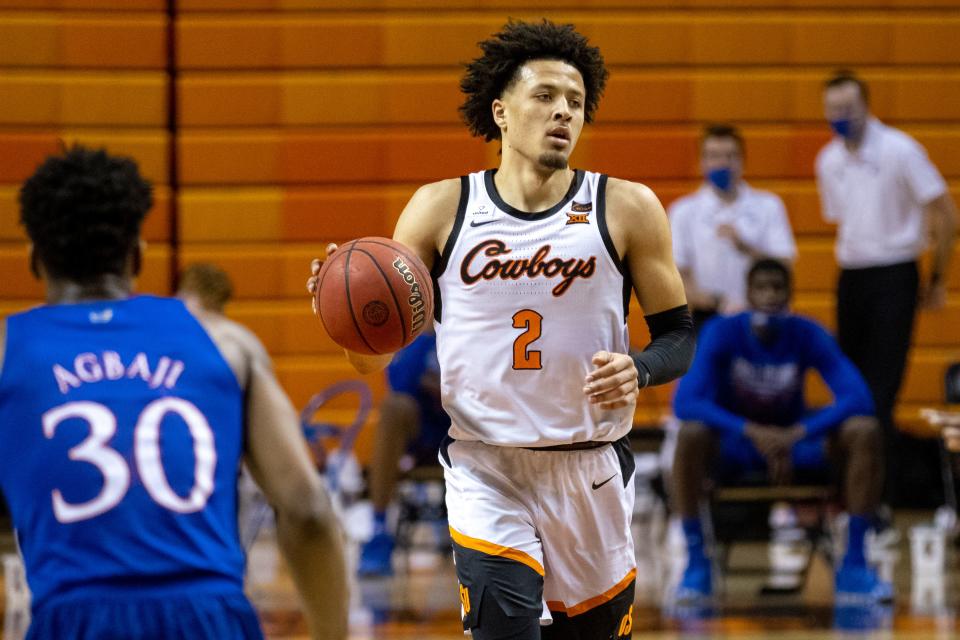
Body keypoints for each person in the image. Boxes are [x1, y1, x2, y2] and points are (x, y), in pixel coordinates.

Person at [309, 19, 695, 640]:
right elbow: (370, 360)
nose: (563, 112)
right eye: (544, 96)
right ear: (502, 112)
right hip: (485, 466)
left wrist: (641, 368)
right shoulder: (441, 208)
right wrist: (350, 311)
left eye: (575, 101)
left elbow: (681, 338)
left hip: (589, 465)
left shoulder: (627, 206)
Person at [0, 146, 348, 640]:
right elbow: (308, 511)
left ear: (34, 259)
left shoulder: (6, 353)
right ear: (138, 254)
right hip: (209, 616)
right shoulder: (225, 342)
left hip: (75, 619)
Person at [671, 259, 888, 603]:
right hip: (739, 446)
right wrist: (750, 430)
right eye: (762, 287)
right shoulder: (722, 331)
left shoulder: (807, 332)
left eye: (778, 287)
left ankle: (856, 564)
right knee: (690, 434)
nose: (770, 295)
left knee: (865, 430)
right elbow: (685, 403)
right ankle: (696, 564)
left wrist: (798, 433)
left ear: (790, 293)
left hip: (794, 445)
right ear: (748, 293)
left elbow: (859, 397)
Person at [816, 69, 958, 502]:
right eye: (833, 110)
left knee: (881, 392)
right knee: (850, 391)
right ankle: (854, 494)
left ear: (866, 106)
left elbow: (947, 214)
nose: (841, 117)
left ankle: (877, 501)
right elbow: (843, 219)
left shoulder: (900, 150)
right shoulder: (829, 159)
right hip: (852, 278)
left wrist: (936, 278)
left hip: (896, 274)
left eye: (848, 108)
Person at [669, 123, 796, 332]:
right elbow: (679, 276)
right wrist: (718, 303)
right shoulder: (683, 212)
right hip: (707, 317)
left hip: (763, 314)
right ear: (702, 162)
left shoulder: (768, 205)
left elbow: (784, 266)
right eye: (714, 156)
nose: (723, 163)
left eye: (730, 156)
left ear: (743, 161)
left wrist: (746, 247)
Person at [358, 329, 448, 577]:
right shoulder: (415, 329)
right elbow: (398, 384)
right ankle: (378, 528)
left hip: (470, 429)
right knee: (394, 407)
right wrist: (427, 339)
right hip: (426, 434)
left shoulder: (476, 319)